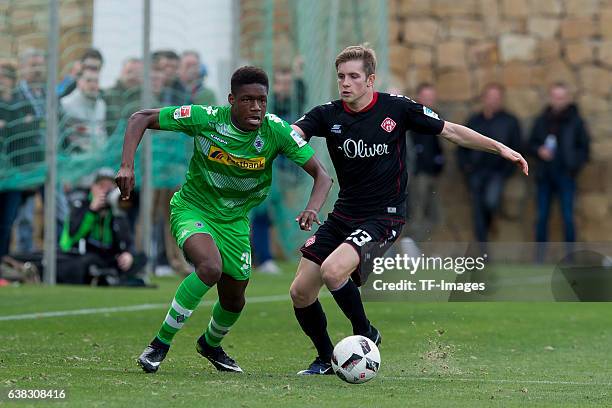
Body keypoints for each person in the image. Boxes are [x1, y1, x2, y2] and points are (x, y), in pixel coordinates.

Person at [289, 45, 528, 375]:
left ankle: (366, 333)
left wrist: (499, 147)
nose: (345, 83)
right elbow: (293, 134)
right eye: (341, 76)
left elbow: (453, 131)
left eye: (354, 77)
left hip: (384, 214)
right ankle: (325, 358)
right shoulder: (327, 114)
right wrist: (279, 138)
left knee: (333, 271)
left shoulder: (397, 109)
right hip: (344, 214)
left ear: (370, 80)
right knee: (300, 292)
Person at [115, 66, 333, 373]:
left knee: (234, 301)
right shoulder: (206, 118)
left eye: (261, 100)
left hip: (235, 221)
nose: (256, 107)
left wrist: (312, 207)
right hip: (194, 209)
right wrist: (127, 165)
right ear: (231, 100)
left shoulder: (276, 130)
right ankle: (159, 345)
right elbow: (140, 117)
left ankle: (210, 344)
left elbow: (322, 176)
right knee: (209, 268)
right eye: (247, 100)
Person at [58, 168, 146, 285]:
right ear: (93, 187)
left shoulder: (117, 210)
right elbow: (74, 235)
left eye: (110, 186)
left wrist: (128, 254)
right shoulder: (81, 205)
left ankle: (108, 277)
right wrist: (92, 211)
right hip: (86, 255)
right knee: (81, 264)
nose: (105, 190)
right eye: (101, 186)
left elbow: (128, 241)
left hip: (110, 258)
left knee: (141, 258)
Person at [458, 83, 522, 244]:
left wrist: (506, 171)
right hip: (475, 172)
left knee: (491, 202)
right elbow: (461, 145)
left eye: (497, 98)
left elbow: (517, 146)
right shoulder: (474, 120)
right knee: (477, 209)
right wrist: (466, 167)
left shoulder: (510, 121)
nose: (493, 101)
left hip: (497, 173)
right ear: (484, 98)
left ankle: (490, 226)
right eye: (490, 97)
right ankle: (482, 247)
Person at [528, 82, 590, 244]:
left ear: (567, 98)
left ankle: (569, 257)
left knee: (568, 216)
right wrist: (539, 151)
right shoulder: (542, 120)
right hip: (545, 175)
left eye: (561, 97)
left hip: (566, 175)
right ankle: (539, 259)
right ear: (550, 98)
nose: (558, 101)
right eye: (555, 97)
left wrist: (573, 165)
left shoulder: (576, 122)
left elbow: (584, 149)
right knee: (541, 216)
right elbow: (530, 144)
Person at [405, 82, 445, 243]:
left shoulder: (436, 117)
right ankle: (409, 247)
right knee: (417, 213)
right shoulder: (412, 117)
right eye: (426, 96)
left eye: (431, 96)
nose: (429, 99)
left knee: (434, 216)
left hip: (431, 175)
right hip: (416, 175)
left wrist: (439, 164)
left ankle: (416, 246)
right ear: (419, 97)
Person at [60, 66, 108, 155]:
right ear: (79, 82)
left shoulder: (101, 105)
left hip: (100, 157)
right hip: (75, 160)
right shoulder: (65, 104)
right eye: (88, 81)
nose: (93, 85)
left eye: (96, 81)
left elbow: (102, 134)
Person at [103, 57, 143, 136]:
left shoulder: (147, 98)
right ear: (121, 72)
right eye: (129, 72)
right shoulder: (108, 95)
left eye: (137, 73)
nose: (132, 76)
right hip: (113, 143)